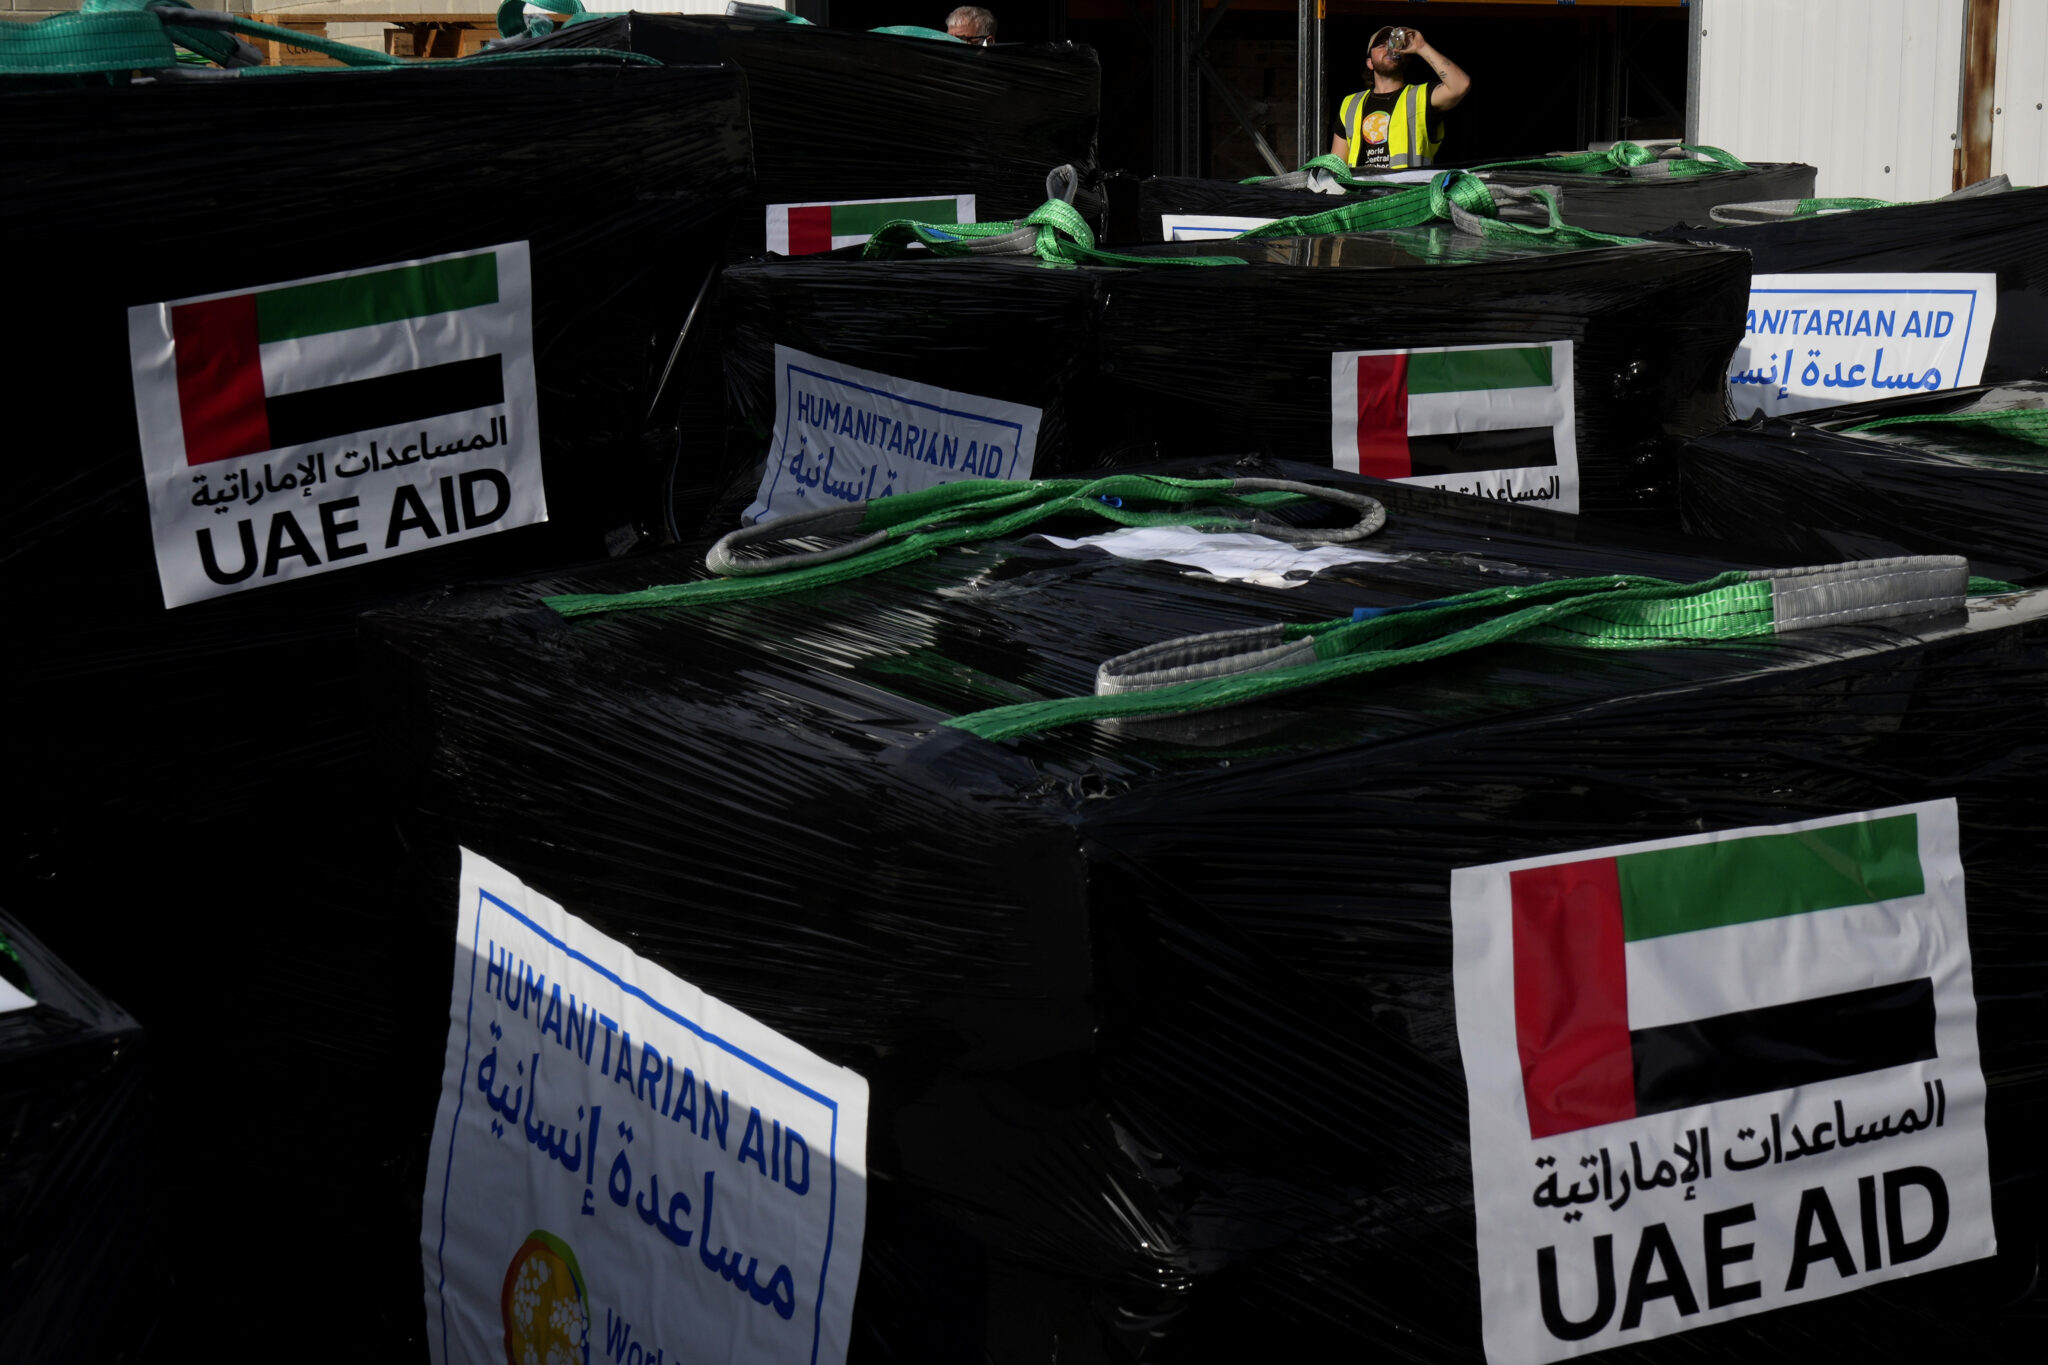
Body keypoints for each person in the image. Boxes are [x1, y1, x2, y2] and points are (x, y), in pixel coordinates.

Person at [1330, 26, 1471, 172]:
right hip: (1364, 187)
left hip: (1407, 187)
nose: (1389, 49)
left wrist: (1421, 47)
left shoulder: (1420, 96)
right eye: (1381, 46)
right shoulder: (1351, 104)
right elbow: (1336, 167)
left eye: (1394, 44)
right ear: (1369, 63)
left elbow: (1461, 85)